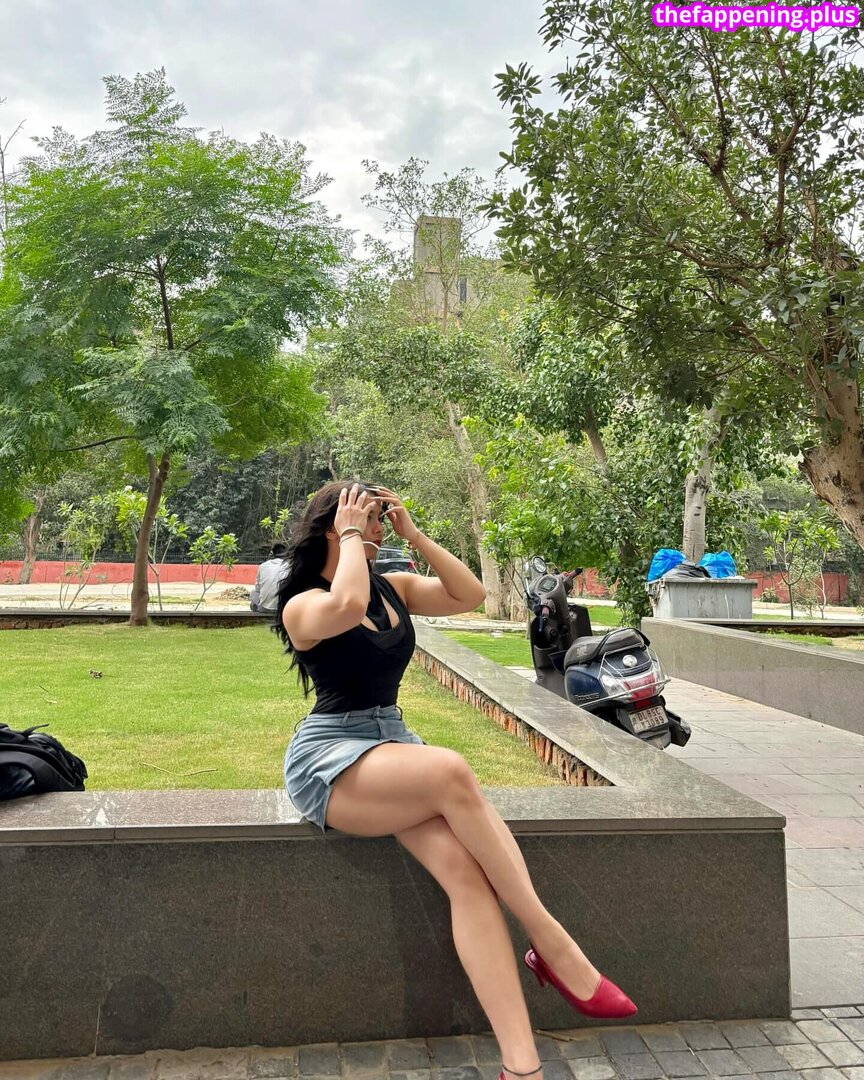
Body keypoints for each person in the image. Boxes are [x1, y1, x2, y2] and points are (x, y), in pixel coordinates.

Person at [275, 481, 636, 1080]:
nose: (379, 528)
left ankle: (522, 1067)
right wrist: (352, 532)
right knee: (451, 769)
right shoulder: (303, 604)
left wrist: (414, 534)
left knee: (469, 879)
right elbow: (345, 607)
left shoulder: (392, 589)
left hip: (391, 748)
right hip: (330, 759)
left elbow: (470, 594)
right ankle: (552, 942)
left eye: (380, 518)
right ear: (333, 528)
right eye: (368, 518)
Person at [250, 542, 290, 614]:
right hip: (284, 608)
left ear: (273, 553)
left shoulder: (263, 566)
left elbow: (257, 588)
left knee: (253, 592)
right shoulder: (289, 566)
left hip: (264, 608)